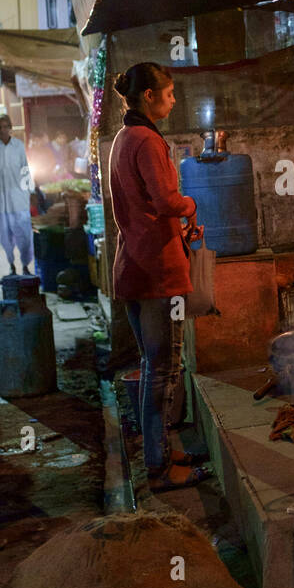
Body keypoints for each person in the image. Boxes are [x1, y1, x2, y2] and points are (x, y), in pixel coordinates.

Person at [109, 63, 204, 493]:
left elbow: (145, 207)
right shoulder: (146, 140)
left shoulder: (123, 138)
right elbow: (166, 200)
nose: (174, 99)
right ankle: (160, 467)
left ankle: (159, 451)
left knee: (153, 366)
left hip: (133, 265)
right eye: (168, 93)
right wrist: (189, 205)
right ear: (148, 96)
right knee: (163, 368)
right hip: (157, 273)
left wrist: (178, 223)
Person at [0, 115, 35, 275]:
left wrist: (31, 191)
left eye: (6, 126)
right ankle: (11, 265)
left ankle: (25, 265)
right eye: (1, 127)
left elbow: (25, 169)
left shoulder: (18, 146)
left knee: (24, 235)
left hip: (19, 198)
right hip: (0, 200)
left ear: (10, 128)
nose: (3, 130)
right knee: (5, 236)